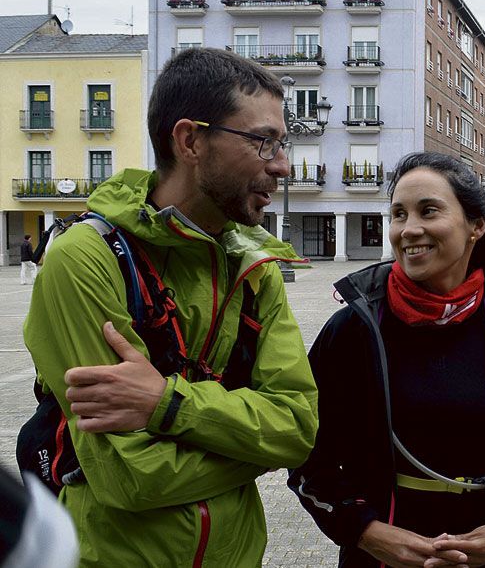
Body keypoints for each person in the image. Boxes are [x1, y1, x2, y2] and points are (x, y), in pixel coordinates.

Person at [21, 47, 319, 567]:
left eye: (282, 142)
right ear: (190, 140)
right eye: (262, 141)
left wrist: (165, 402)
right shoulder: (84, 259)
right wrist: (254, 448)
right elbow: (129, 477)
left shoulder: (254, 266)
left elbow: (298, 428)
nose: (283, 164)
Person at [290, 151, 485, 568]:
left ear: (476, 225)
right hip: (380, 558)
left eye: (429, 211)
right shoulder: (353, 329)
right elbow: (304, 452)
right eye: (398, 214)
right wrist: (365, 531)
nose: (409, 230)